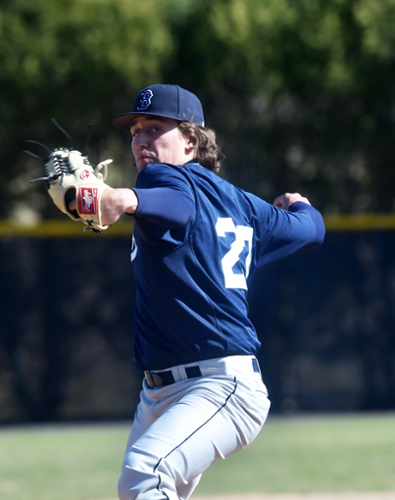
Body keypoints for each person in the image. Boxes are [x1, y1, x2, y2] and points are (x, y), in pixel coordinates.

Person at [98, 84, 325, 500]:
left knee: (144, 475)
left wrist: (127, 197)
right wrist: (300, 205)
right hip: (164, 394)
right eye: (135, 131)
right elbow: (312, 230)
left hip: (217, 386)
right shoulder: (245, 205)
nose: (140, 140)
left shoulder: (160, 177)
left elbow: (178, 206)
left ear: (190, 138)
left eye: (154, 128)